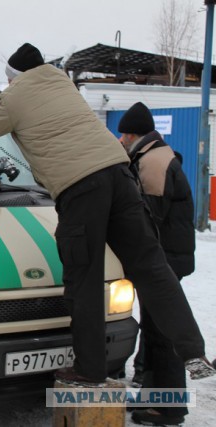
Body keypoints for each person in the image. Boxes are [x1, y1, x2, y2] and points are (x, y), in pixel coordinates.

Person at [0, 42, 215, 387]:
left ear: (14, 76)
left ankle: (90, 369)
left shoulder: (15, 95)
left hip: (82, 190)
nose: (9, 86)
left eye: (9, 80)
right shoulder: (62, 84)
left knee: (84, 281)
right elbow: (30, 116)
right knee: (151, 267)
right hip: (120, 177)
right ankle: (192, 348)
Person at [117, 102, 195, 425]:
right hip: (164, 259)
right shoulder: (153, 156)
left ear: (135, 134)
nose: (121, 140)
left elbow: (148, 220)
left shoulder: (153, 163)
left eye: (124, 135)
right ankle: (154, 399)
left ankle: (170, 408)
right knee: (154, 330)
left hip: (163, 261)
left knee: (164, 334)